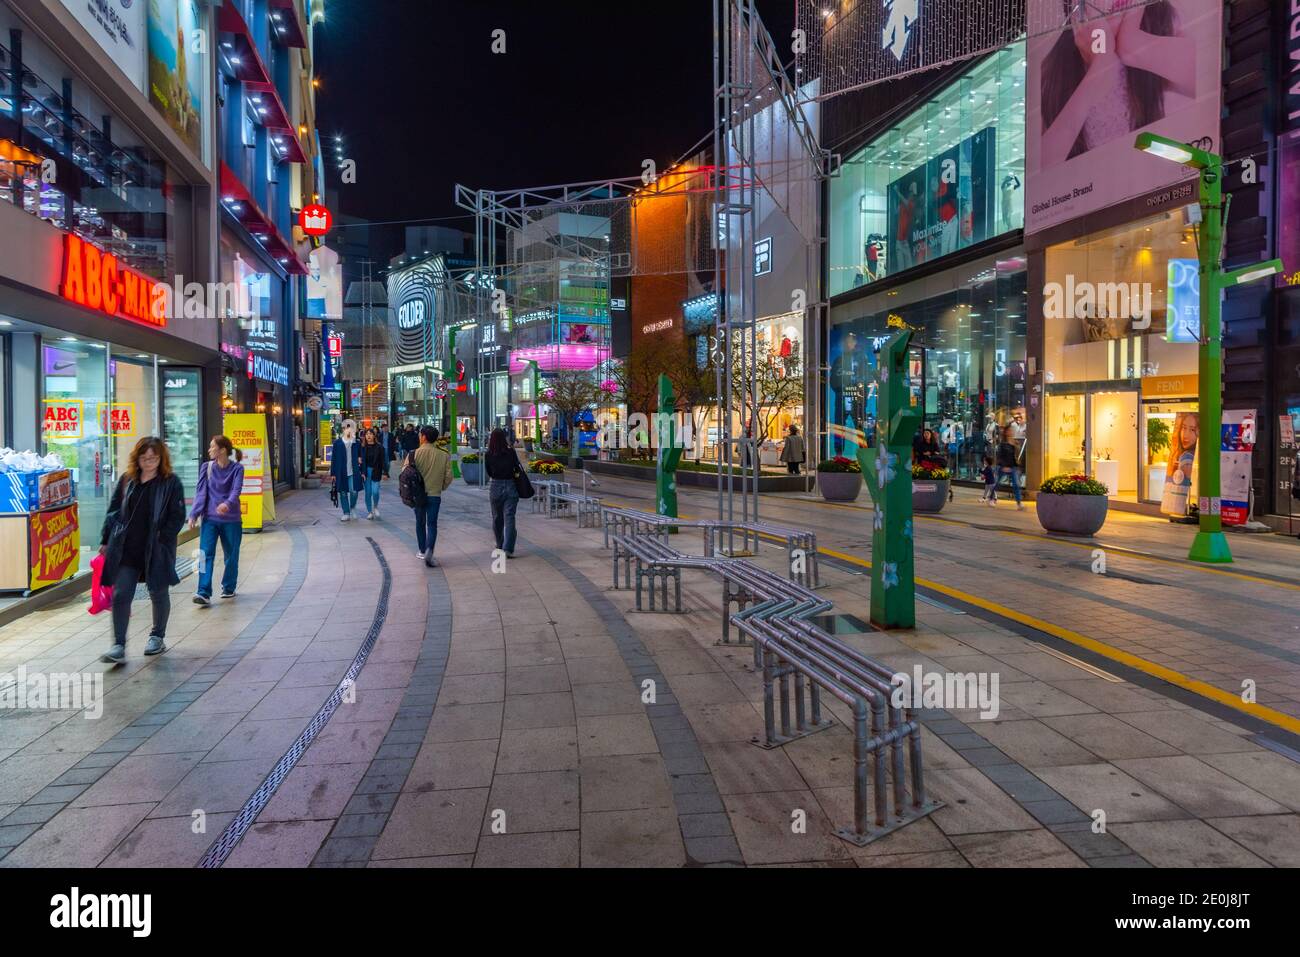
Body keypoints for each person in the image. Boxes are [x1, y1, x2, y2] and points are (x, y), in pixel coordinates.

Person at [1040, 0, 1192, 167]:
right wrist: (1099, 68)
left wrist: (1133, 44)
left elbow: (1208, 83)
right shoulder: (1052, 74)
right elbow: (1040, 175)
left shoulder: (1164, 26)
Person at [98, 436, 186, 663]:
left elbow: (177, 516)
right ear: (137, 458)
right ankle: (118, 644)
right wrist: (106, 538)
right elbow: (113, 511)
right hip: (127, 547)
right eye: (144, 458)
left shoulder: (170, 482)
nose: (149, 462)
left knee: (158, 591)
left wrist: (163, 538)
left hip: (155, 547)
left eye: (154, 458)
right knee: (121, 594)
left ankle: (157, 636)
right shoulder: (127, 480)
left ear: (161, 459)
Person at [189, 435, 245, 604]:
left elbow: (236, 490)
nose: (209, 450)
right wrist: (194, 514)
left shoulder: (237, 469)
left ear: (222, 450)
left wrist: (227, 504)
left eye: (212, 447)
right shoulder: (207, 468)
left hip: (232, 520)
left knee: (231, 555)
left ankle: (228, 587)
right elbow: (201, 493)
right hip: (210, 520)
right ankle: (203, 592)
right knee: (205, 555)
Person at [412, 425, 453, 566]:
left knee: (420, 522)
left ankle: (422, 550)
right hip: (435, 494)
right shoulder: (443, 454)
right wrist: (441, 486)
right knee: (432, 523)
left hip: (418, 496)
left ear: (423, 437)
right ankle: (430, 549)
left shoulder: (414, 454)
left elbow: (404, 475)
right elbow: (449, 476)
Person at [484, 427, 521, 557]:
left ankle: (500, 544)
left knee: (497, 517)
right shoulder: (511, 452)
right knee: (510, 517)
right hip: (511, 484)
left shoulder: (489, 454)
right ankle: (508, 549)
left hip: (496, 485)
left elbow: (488, 471)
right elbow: (516, 466)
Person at [330, 420, 364, 522]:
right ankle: (346, 512)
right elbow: (334, 459)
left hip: (354, 471)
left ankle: (352, 507)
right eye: (347, 429)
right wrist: (333, 473)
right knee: (343, 492)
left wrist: (362, 471)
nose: (349, 431)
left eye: (351, 429)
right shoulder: (337, 443)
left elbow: (361, 457)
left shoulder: (356, 443)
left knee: (354, 491)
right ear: (343, 429)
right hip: (341, 471)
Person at [996, 426, 1025, 510]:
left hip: (1013, 466)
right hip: (1004, 466)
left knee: (1016, 484)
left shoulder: (1013, 442)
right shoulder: (1003, 443)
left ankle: (1019, 503)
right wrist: (1004, 466)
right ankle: (991, 497)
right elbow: (1000, 456)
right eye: (1009, 431)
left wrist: (1017, 446)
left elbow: (1016, 455)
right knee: (997, 483)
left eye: (1011, 431)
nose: (1011, 432)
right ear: (1005, 432)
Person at [362, 427, 387, 520]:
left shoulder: (380, 447)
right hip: (366, 472)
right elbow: (361, 461)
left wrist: (385, 472)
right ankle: (369, 511)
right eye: (367, 434)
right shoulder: (363, 447)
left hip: (376, 471)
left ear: (374, 435)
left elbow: (384, 461)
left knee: (375, 491)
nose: (368, 436)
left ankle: (375, 506)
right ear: (365, 436)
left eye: (370, 434)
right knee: (368, 492)